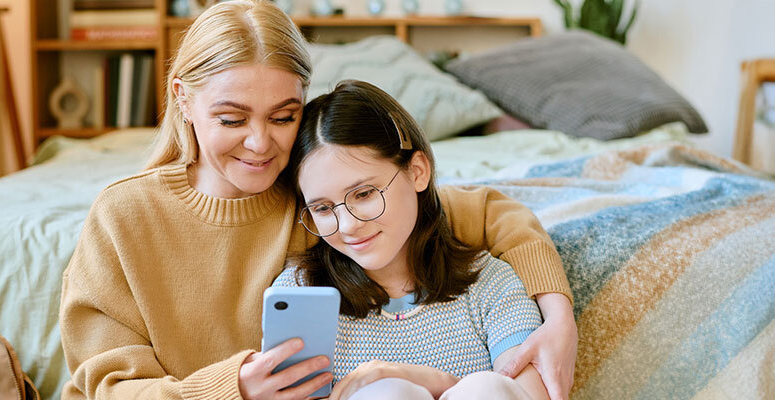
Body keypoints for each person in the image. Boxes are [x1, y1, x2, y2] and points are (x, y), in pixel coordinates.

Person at [58, 1, 575, 399]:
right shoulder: (123, 218)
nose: (261, 144)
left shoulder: (314, 198)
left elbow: (486, 213)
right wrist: (232, 387)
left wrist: (557, 316)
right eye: (232, 119)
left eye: (283, 117)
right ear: (183, 100)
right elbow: (103, 389)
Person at [273, 80, 548, 400]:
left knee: (486, 388)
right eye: (322, 207)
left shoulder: (489, 284)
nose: (347, 225)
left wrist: (422, 378)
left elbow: (527, 394)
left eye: (363, 194)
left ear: (417, 171)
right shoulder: (300, 295)